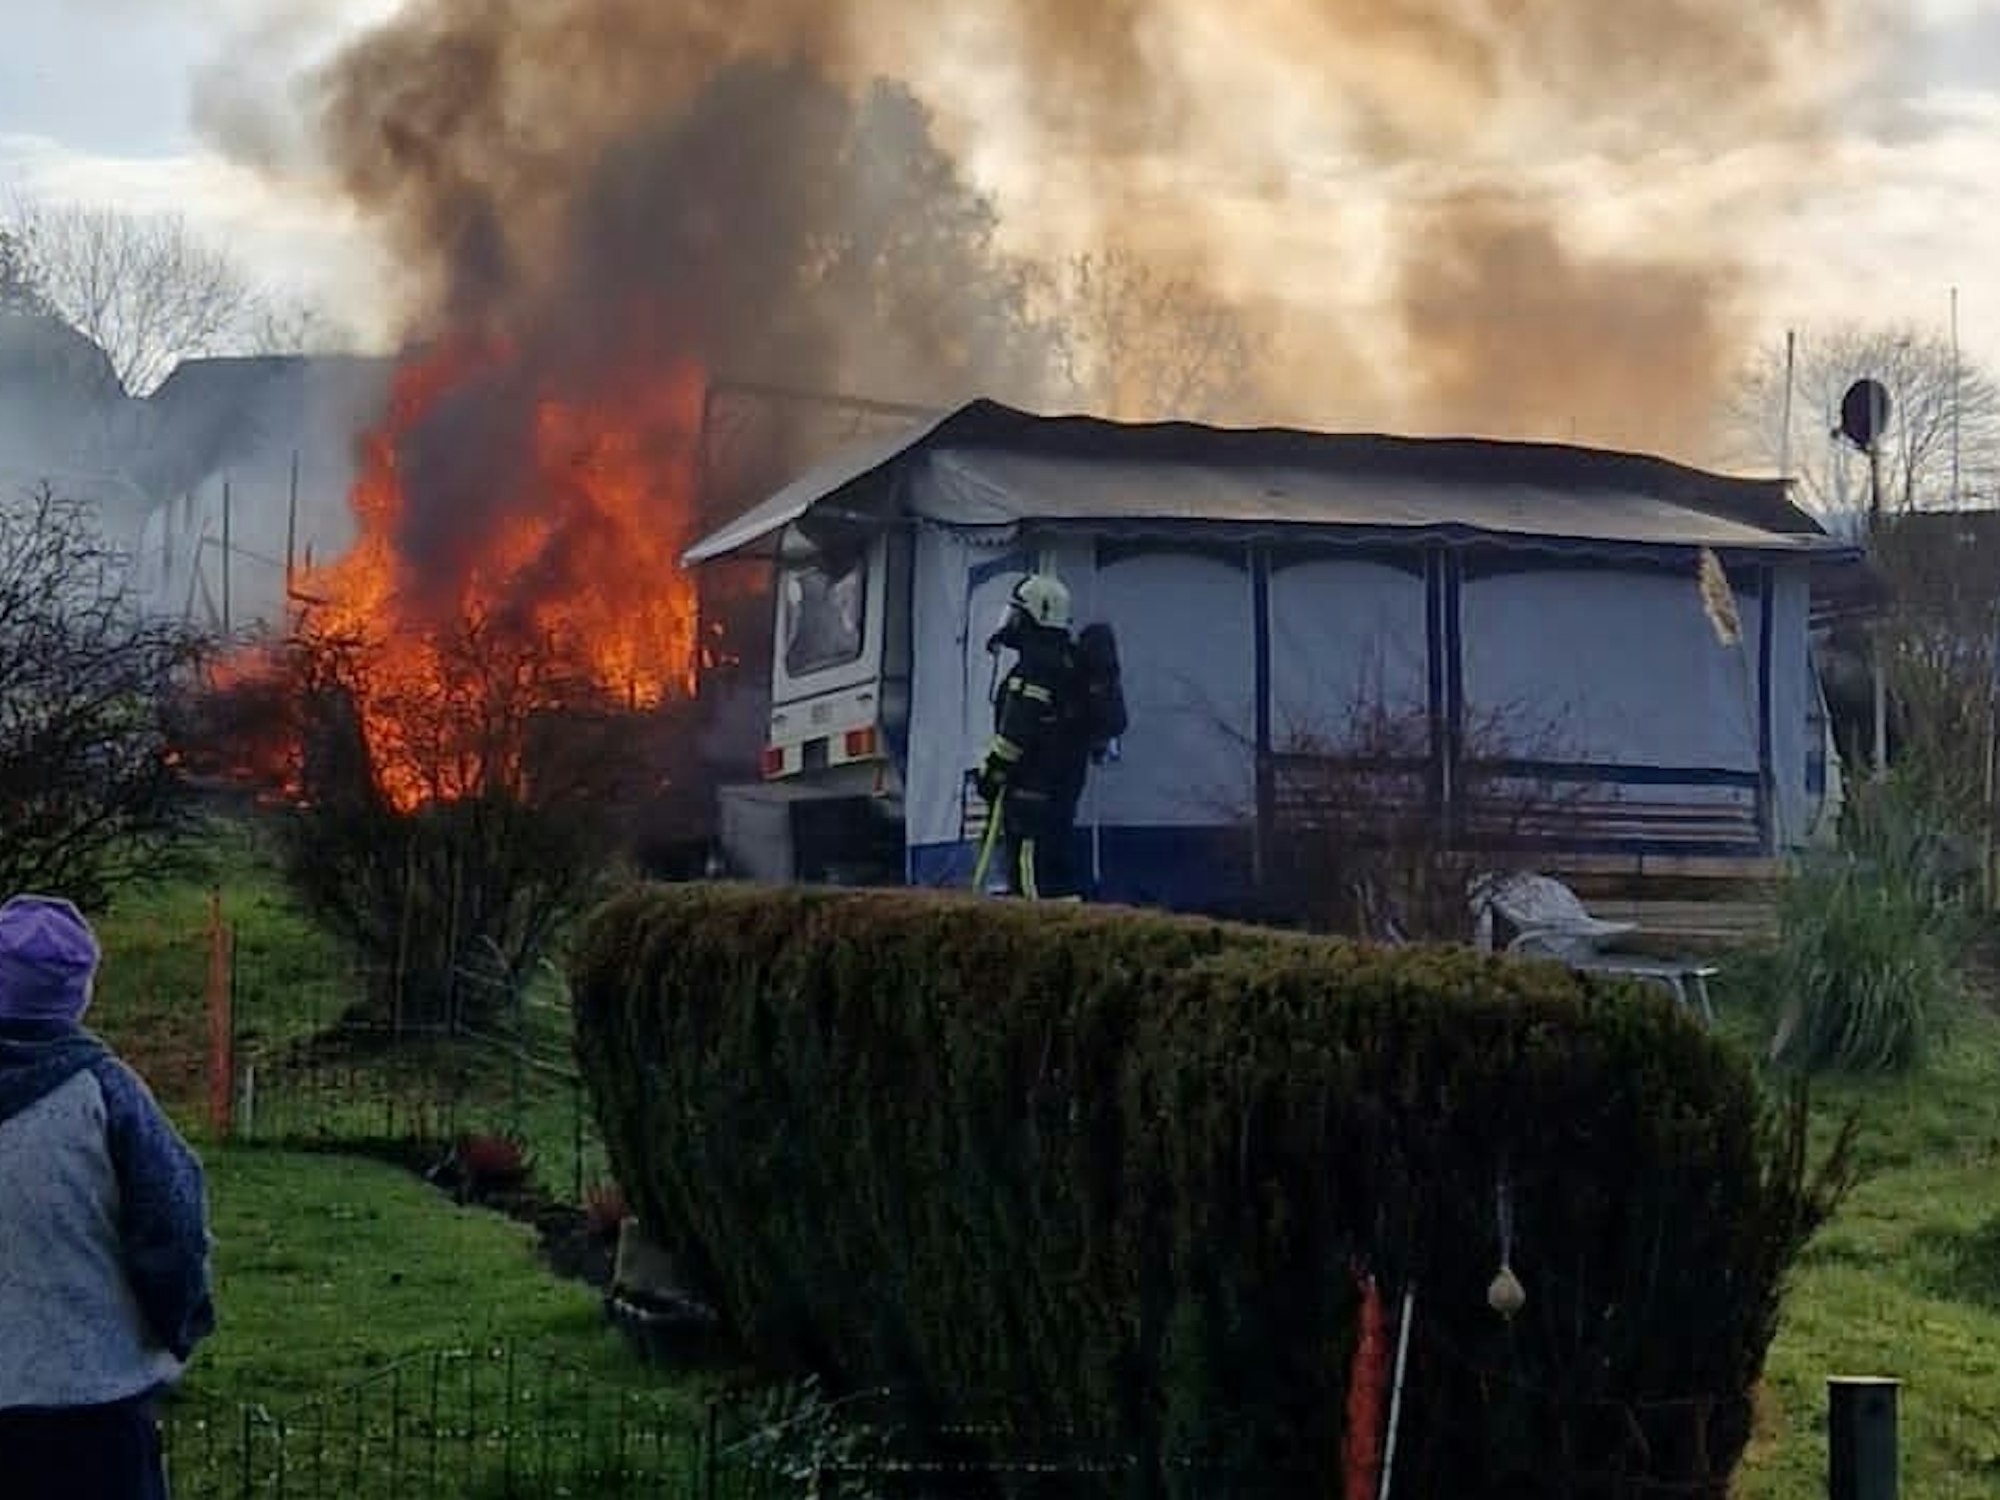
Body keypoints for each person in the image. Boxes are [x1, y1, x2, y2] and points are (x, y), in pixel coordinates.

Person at [0, 894, 217, 1500]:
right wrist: (178, 1326)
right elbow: (173, 1226)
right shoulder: (108, 1094)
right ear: (80, 991)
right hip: (93, 1404)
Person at [976, 572, 1092, 900]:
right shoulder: (1069, 660)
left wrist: (993, 771)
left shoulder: (1036, 667)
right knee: (1056, 869)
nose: (1011, 623)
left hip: (1031, 787)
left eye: (1017, 614)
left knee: (1029, 873)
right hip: (1061, 785)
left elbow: (1017, 730)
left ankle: (1042, 938)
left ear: (1035, 616)